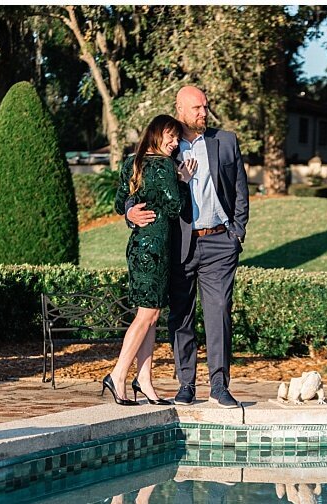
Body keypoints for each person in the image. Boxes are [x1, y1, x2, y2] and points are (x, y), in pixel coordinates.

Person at [122, 86, 250, 407]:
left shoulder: (226, 141)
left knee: (218, 313)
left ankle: (219, 386)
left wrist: (237, 232)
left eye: (205, 107)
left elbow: (239, 190)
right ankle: (186, 384)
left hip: (221, 241)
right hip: (179, 244)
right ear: (179, 109)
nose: (202, 113)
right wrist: (128, 210)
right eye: (196, 108)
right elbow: (137, 174)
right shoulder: (168, 143)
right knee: (181, 315)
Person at [105, 114, 186, 406]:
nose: (175, 143)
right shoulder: (165, 166)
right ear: (155, 134)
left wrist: (128, 213)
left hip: (140, 247)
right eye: (171, 136)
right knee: (148, 316)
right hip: (155, 250)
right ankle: (117, 375)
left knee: (150, 318)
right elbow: (176, 207)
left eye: (177, 138)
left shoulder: (132, 162)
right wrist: (184, 180)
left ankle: (145, 381)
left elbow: (118, 203)